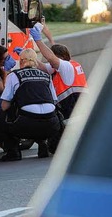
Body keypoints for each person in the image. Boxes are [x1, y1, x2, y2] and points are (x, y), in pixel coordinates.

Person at [0, 48, 61, 161]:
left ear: (21, 61)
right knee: (46, 113)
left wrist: (5, 74)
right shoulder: (46, 76)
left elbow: (4, 106)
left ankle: (13, 151)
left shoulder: (14, 76)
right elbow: (54, 101)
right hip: (50, 125)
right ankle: (43, 143)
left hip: (26, 125)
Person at [28, 24, 87, 154]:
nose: (50, 60)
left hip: (72, 109)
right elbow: (43, 67)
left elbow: (51, 59)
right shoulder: (66, 66)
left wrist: (38, 40)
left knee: (64, 144)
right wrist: (27, 56)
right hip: (73, 107)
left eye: (54, 57)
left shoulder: (66, 66)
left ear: (61, 57)